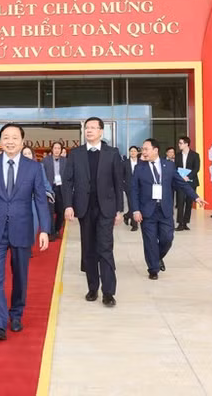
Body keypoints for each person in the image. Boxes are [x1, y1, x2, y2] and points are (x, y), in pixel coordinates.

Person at [0, 123, 51, 340]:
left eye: (14, 137)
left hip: (22, 228)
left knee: (20, 276)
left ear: (22, 141)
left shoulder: (34, 167)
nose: (10, 141)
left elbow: (40, 200)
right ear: (0, 141)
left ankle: (16, 314)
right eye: (6, 137)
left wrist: (44, 229)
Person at [62, 117, 124, 306]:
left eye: (93, 128)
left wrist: (120, 210)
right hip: (84, 208)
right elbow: (68, 181)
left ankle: (108, 292)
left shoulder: (112, 153)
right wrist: (68, 205)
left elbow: (117, 182)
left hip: (106, 208)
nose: (89, 130)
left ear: (101, 131)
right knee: (88, 249)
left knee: (105, 248)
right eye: (86, 128)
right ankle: (92, 288)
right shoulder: (76, 154)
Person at [132, 138, 205, 279]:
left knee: (167, 238)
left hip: (164, 209)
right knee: (150, 241)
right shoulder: (139, 168)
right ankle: (153, 269)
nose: (144, 152)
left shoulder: (169, 166)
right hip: (147, 210)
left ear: (155, 150)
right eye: (143, 149)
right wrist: (135, 210)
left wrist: (196, 197)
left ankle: (157, 257)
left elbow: (182, 184)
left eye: (146, 149)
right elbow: (134, 190)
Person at [174, 135, 201, 231]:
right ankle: (180, 223)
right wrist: (180, 177)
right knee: (180, 202)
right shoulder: (177, 155)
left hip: (191, 181)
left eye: (181, 143)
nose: (179, 145)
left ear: (186, 144)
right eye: (179, 143)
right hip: (180, 182)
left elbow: (196, 168)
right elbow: (175, 168)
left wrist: (188, 177)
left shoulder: (195, 155)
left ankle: (185, 222)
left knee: (189, 203)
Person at [41, 142, 67, 241]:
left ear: (61, 150)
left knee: (61, 211)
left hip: (61, 189)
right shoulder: (45, 161)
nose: (57, 150)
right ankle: (51, 232)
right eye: (55, 148)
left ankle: (57, 229)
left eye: (58, 148)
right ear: (52, 149)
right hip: (50, 189)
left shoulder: (65, 161)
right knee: (50, 211)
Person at [123, 146, 140, 231]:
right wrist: (123, 185)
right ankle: (134, 225)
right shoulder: (125, 163)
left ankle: (127, 215)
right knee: (132, 204)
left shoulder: (141, 162)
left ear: (137, 152)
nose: (132, 153)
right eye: (131, 151)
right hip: (129, 187)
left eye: (134, 151)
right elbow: (121, 175)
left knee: (137, 205)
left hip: (140, 187)